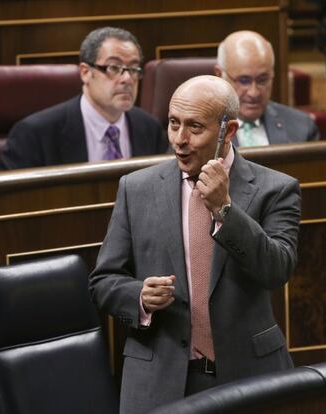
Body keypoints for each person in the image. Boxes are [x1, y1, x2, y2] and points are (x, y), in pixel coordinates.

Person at [89, 75, 301, 414]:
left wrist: (225, 210)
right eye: (174, 124)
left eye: (195, 127)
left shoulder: (275, 189)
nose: (180, 140)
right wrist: (139, 297)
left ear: (228, 131)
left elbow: (276, 270)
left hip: (248, 376)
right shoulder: (136, 188)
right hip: (158, 378)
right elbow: (103, 281)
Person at [0, 27, 168, 170]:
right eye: (114, 67)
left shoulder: (149, 128)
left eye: (133, 68)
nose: (127, 79)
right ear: (85, 72)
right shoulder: (34, 135)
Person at [215, 30, 319, 146]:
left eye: (262, 80)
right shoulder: (201, 132)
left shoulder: (302, 129)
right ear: (219, 75)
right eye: (244, 81)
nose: (253, 93)